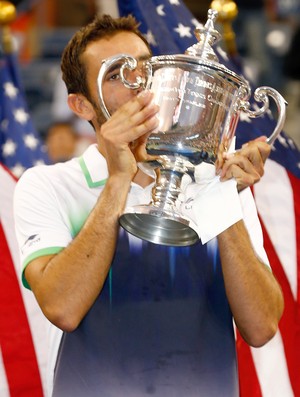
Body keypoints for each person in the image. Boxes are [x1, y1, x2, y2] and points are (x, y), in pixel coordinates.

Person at [14, 14, 284, 397]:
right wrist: (118, 179)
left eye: (145, 68)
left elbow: (262, 327)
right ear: (81, 105)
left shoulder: (218, 185)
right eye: (115, 75)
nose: (138, 85)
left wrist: (222, 196)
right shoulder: (48, 186)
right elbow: (63, 306)